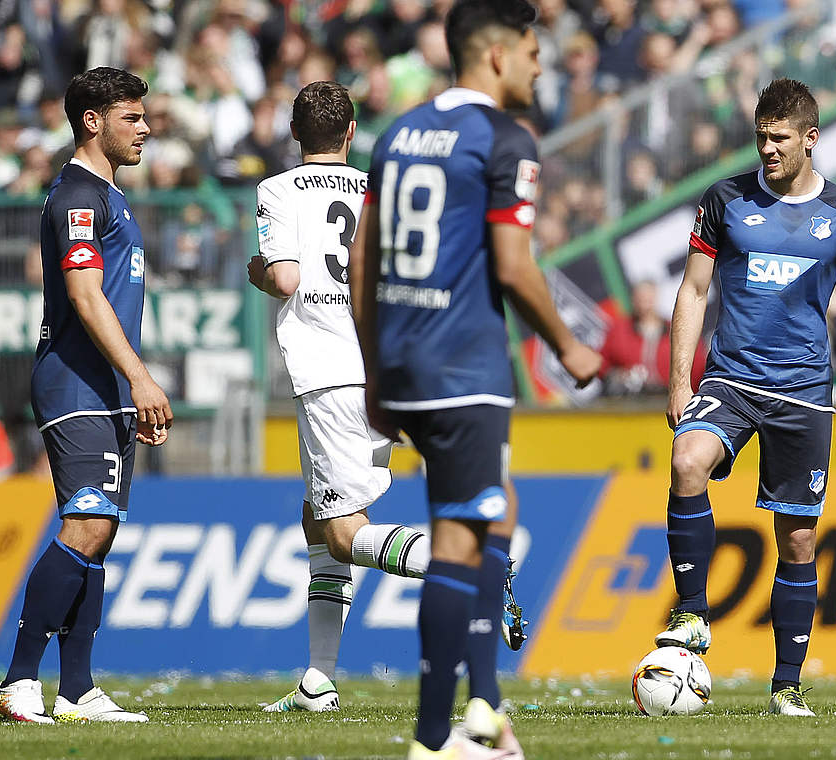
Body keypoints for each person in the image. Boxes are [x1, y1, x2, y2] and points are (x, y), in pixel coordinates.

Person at [354, 1, 601, 757]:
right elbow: (514, 264)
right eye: (532, 51)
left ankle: (487, 708)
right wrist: (568, 343)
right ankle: (438, 739)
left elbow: (363, 259)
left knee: (493, 515)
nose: (539, 66)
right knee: (461, 539)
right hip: (464, 364)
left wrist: (374, 371)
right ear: (495, 55)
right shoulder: (502, 138)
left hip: (403, 359)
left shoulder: (397, 133)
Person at [658, 78, 836, 719]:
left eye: (780, 137)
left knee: (798, 543)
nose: (768, 148)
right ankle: (693, 612)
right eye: (761, 136)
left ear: (811, 138)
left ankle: (786, 684)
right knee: (685, 462)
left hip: (805, 394)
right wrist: (681, 380)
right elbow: (694, 291)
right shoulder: (723, 200)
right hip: (729, 380)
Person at [247, 81, 438, 713]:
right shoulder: (378, 191)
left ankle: (456, 559)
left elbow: (285, 278)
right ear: (352, 132)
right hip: (384, 364)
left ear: (294, 134)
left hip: (327, 368)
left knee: (338, 530)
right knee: (315, 515)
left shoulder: (276, 191)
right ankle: (318, 679)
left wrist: (256, 270)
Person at [0, 67, 171, 725]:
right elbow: (84, 296)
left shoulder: (109, 196)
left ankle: (77, 688)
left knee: (101, 535)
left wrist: (130, 388)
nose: (145, 127)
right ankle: (17, 679)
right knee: (86, 525)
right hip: (75, 381)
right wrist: (142, 377)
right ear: (92, 121)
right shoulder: (75, 196)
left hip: (106, 388)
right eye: (132, 116)